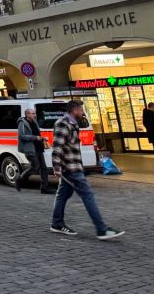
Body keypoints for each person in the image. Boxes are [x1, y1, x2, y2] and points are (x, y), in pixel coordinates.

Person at [51, 100, 124, 239]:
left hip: (74, 165)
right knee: (88, 195)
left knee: (63, 195)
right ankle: (101, 229)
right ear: (74, 110)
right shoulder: (63, 124)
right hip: (71, 168)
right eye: (81, 110)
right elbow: (57, 147)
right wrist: (57, 167)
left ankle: (56, 223)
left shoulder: (72, 123)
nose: (83, 112)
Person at [15, 107, 50, 193]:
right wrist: (35, 138)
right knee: (35, 167)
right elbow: (22, 136)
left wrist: (42, 138)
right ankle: (19, 179)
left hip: (38, 147)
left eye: (35, 113)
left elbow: (37, 134)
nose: (35, 115)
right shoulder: (22, 123)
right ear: (27, 115)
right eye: (33, 113)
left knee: (44, 168)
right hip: (30, 148)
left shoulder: (34, 122)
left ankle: (44, 188)